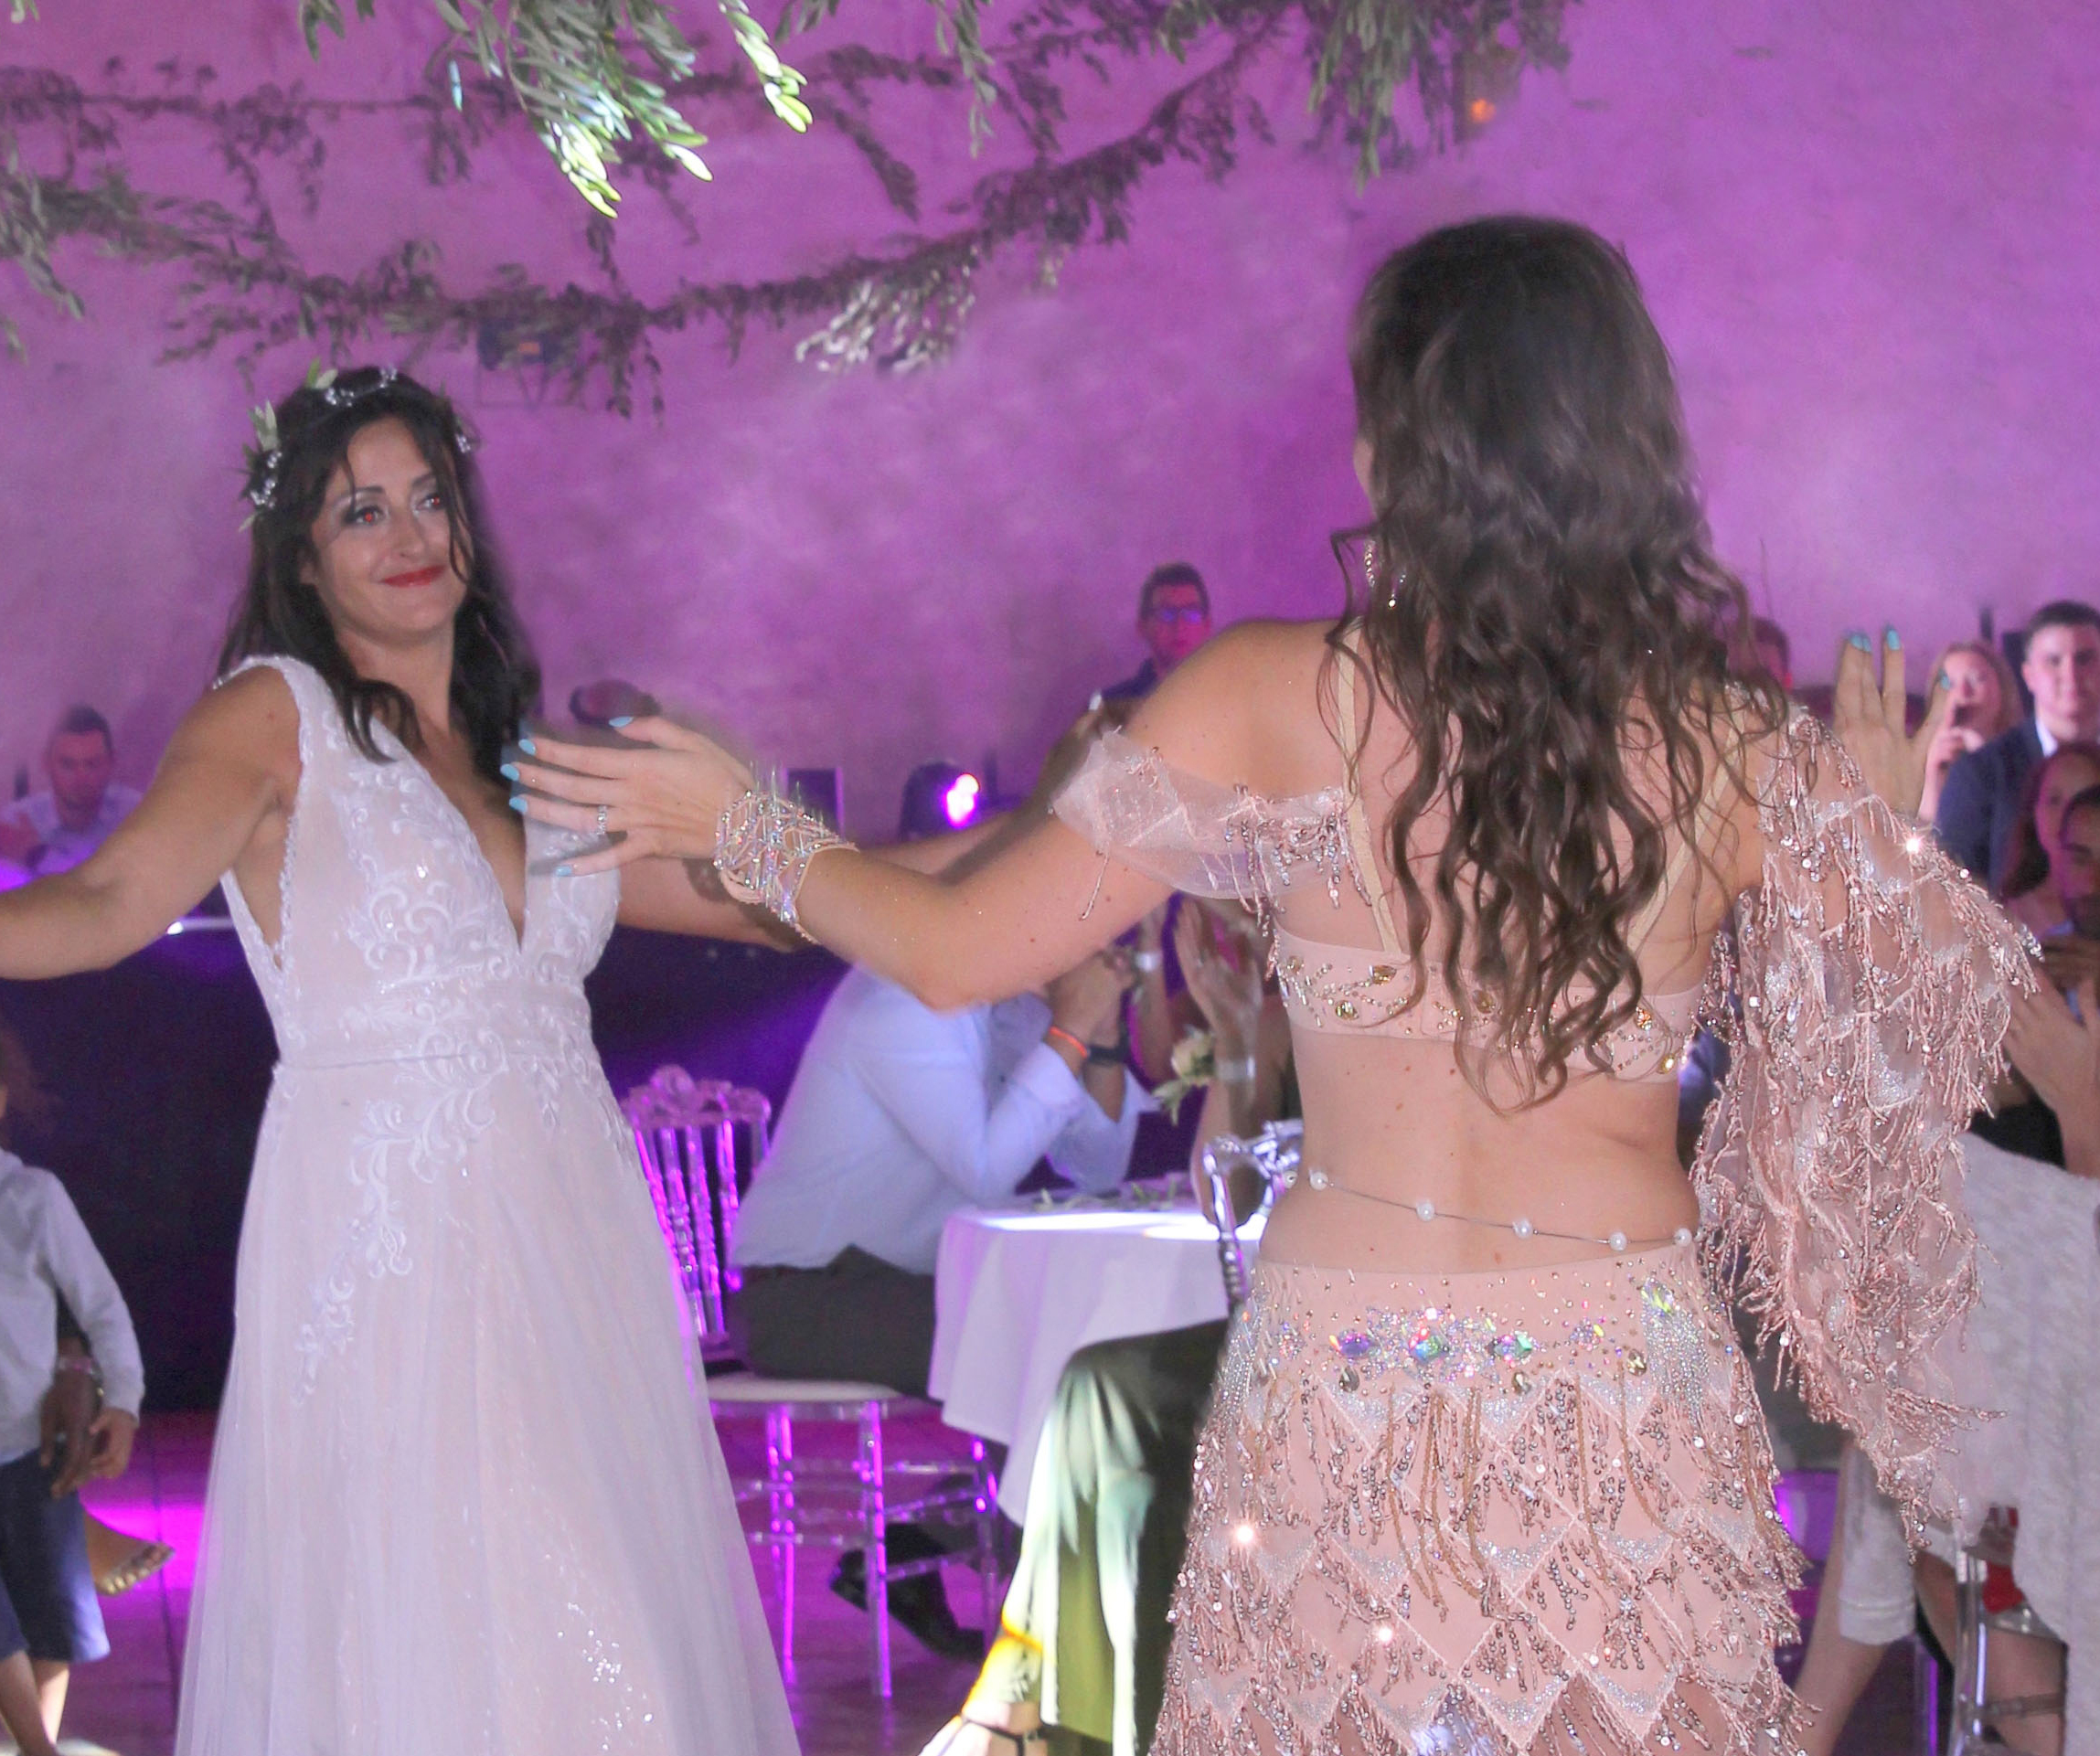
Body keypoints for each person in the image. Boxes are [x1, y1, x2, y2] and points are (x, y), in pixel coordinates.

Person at [515, 217, 2030, 1753]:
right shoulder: (1736, 748)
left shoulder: (1264, 694)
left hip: (1343, 1386)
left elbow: (955, 946)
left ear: (1398, 451)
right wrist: (1882, 837)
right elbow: (1955, 1039)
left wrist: (745, 826)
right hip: (1616, 1393)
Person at [0, 367, 798, 1755]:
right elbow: (109, 900)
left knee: (611, 1646)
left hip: (574, 1253)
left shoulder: (537, 761)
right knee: (453, 1641)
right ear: (302, 560)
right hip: (390, 1260)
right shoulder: (274, 716)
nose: (410, 534)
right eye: (360, 511)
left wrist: (1045, 848)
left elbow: (781, 900)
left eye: (430, 498)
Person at [922, 898, 1293, 1756]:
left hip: (1383, 1326)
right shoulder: (1280, 1020)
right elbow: (1224, 1199)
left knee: (1119, 1398)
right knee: (1095, 1381)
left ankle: (1062, 1714)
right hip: (1292, 1314)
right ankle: (1071, 1720)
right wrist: (1235, 1037)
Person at [729, 931, 1148, 1660]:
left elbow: (1097, 1166)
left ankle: (926, 1551)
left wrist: (1099, 1037)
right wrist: (1071, 1028)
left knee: (1079, 1350)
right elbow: (985, 1166)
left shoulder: (1004, 1009)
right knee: (1053, 1358)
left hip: (898, 1285)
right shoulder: (900, 1001)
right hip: (802, 1296)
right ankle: (1055, 1631)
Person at [0, 1023, 143, 1756]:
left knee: (50, 1619)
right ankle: (37, 1747)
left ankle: (35, 1743)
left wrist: (121, 1401)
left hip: (31, 1451)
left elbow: (101, 1304)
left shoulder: (31, 1197)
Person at [1937, 601, 2100, 881]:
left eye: (2084, 659)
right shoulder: (1980, 774)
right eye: (2053, 661)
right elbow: (1951, 892)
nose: (2071, 675)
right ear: (2029, 676)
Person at [0, 708, 143, 878]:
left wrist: (37, 855)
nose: (81, 778)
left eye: (92, 764)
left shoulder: (138, 813)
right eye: (67, 765)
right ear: (46, 763)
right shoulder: (17, 822)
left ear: (111, 762)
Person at [1920, 639, 2022, 821]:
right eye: (1949, 684)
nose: (1963, 692)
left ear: (2002, 688)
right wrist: (1933, 778)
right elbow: (1922, 833)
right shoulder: (1919, 762)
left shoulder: (2027, 756)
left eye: (1977, 679)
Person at [1096, 565, 1213, 706]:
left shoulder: (1229, 698)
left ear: (1207, 625)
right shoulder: (1109, 706)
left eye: (1191, 614)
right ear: (1142, 626)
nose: (1179, 626)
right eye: (1166, 614)